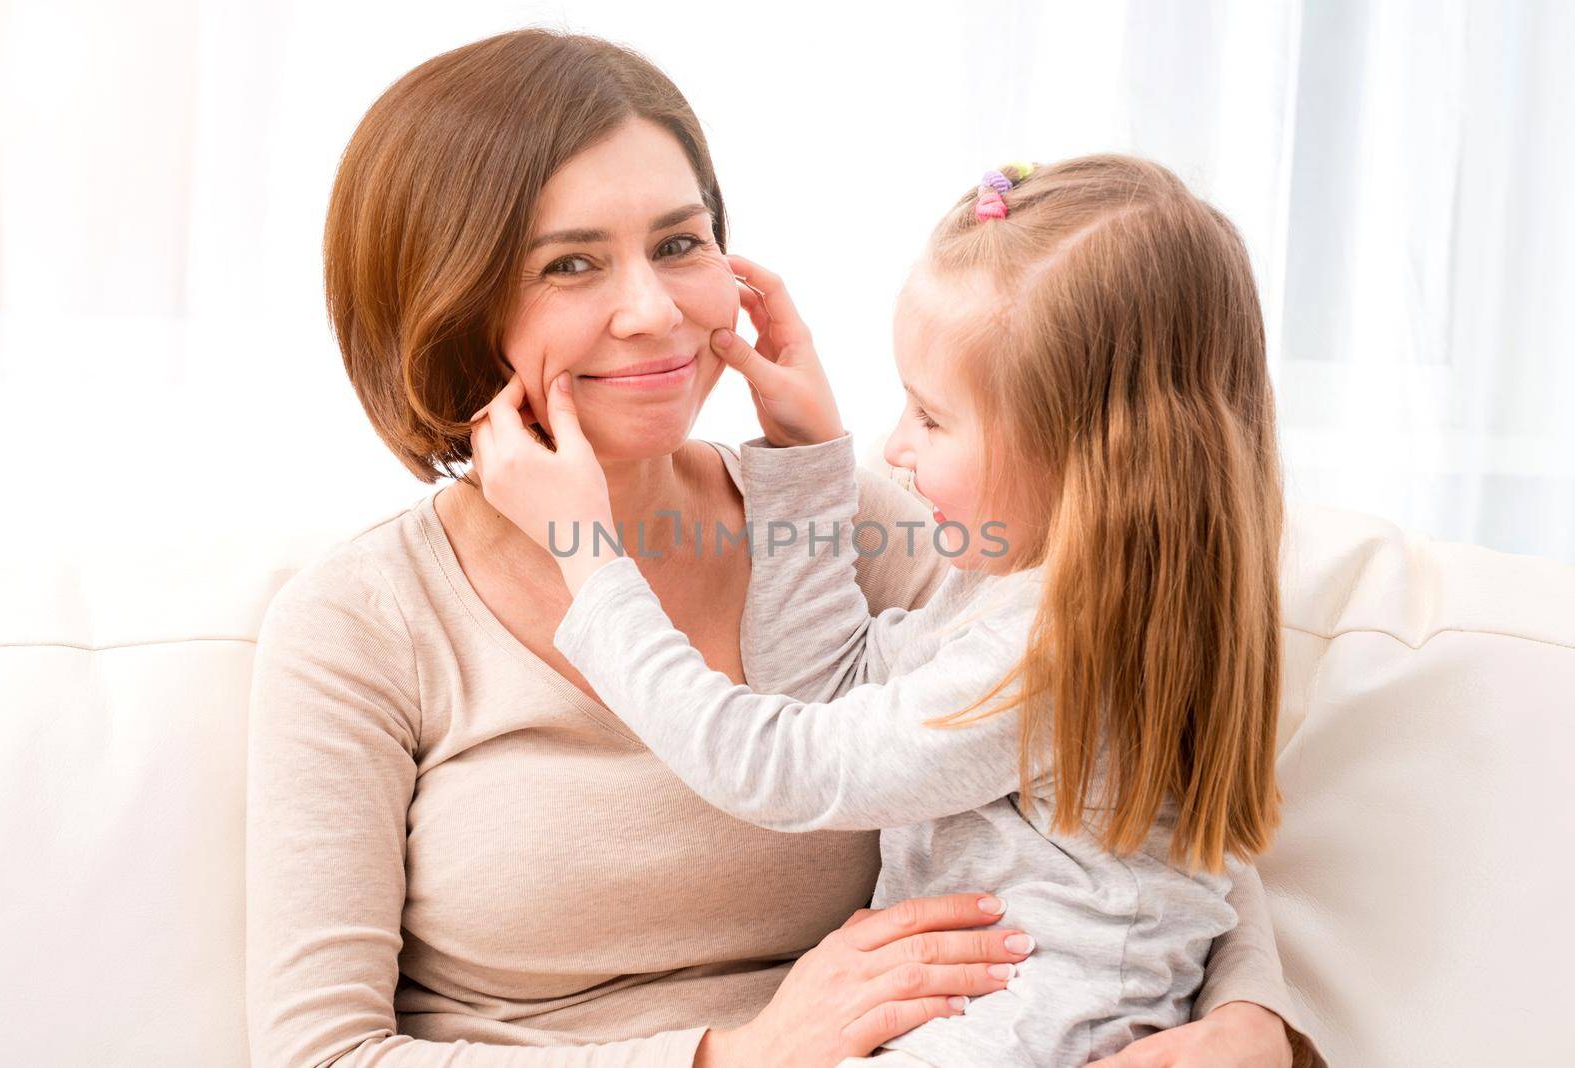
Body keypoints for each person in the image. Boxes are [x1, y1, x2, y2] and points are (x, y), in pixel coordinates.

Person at [246, 28, 1322, 1068]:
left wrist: (1250, 1021)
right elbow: (322, 1057)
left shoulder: (873, 522)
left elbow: (1123, 791)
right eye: (570, 264)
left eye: (679, 243)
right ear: (444, 309)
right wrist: (734, 1056)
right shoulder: (361, 624)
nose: (652, 310)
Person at [466, 153, 1295, 1066]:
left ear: (1091, 457)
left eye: (932, 418)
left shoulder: (1056, 652)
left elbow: (784, 766)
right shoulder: (1037, 587)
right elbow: (830, 686)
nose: (895, 449)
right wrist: (805, 460)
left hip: (1019, 1037)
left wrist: (591, 564)